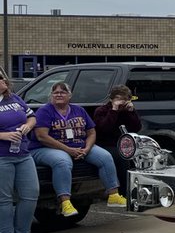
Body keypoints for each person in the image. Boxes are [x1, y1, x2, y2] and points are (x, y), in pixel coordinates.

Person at [30, 82, 126, 216]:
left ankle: (113, 195)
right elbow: (42, 137)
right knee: (63, 161)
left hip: (79, 146)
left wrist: (86, 149)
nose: (59, 94)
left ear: (70, 95)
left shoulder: (78, 110)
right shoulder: (44, 111)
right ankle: (65, 203)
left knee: (105, 156)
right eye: (55, 92)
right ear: (51, 96)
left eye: (63, 92)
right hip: (45, 148)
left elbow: (91, 132)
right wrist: (68, 150)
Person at [0, 70, 37, 233]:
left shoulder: (14, 98)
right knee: (4, 199)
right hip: (2, 157)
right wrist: (3, 135)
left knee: (31, 194)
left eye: (2, 78)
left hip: (23, 153)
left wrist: (28, 126)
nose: (2, 81)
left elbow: (31, 117)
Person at [93, 84, 142, 191]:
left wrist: (131, 113)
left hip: (124, 143)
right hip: (106, 144)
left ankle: (139, 188)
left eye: (125, 99)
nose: (122, 102)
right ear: (111, 99)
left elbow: (137, 127)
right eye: (118, 99)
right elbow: (104, 129)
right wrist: (114, 110)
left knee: (140, 155)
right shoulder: (101, 111)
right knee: (122, 157)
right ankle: (124, 191)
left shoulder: (127, 111)